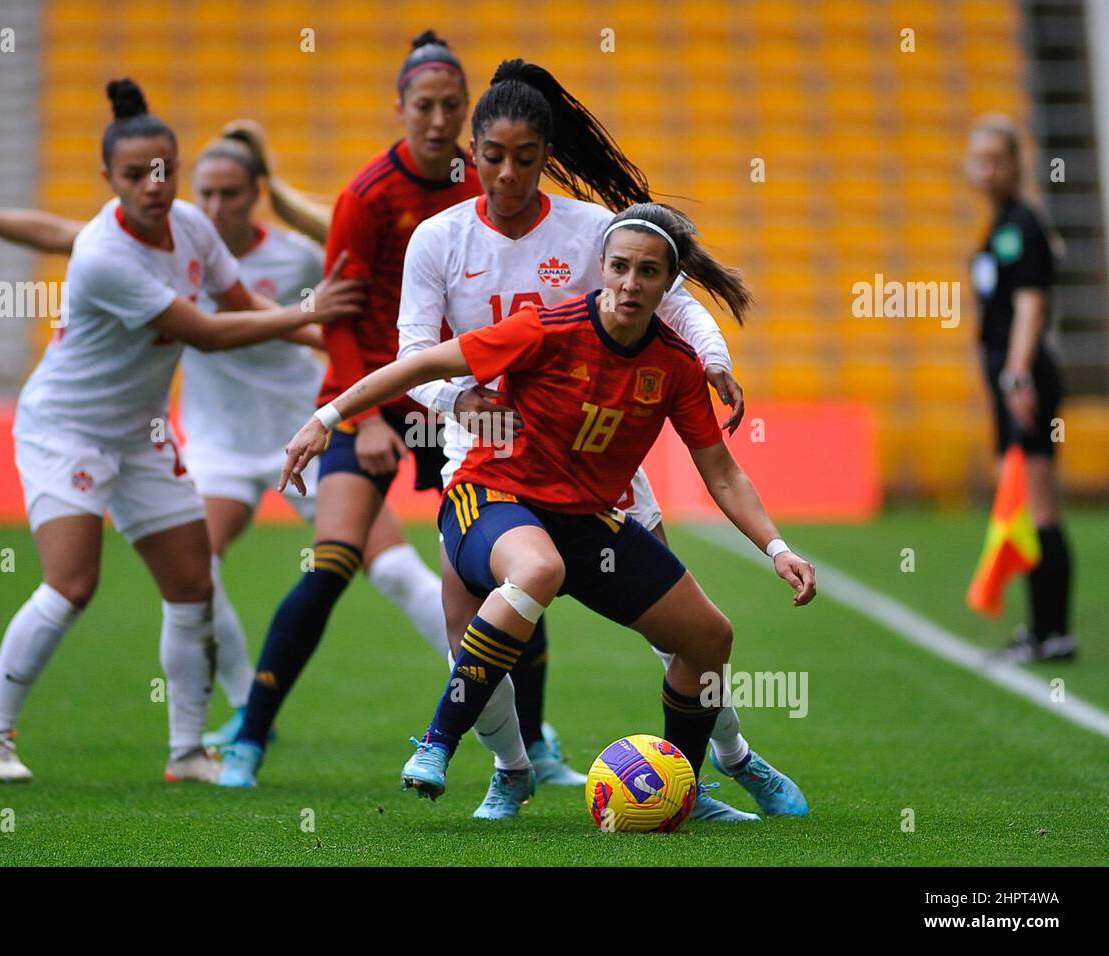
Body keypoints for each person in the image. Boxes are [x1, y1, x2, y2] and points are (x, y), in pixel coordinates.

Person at [0, 119, 453, 750]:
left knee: (392, 569)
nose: (214, 206)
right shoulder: (143, 246)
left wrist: (370, 377)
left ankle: (494, 705)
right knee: (187, 575)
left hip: (299, 435)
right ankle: (245, 705)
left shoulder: (275, 253)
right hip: (208, 444)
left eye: (230, 193)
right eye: (207, 193)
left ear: (255, 193)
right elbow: (72, 242)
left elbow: (333, 312)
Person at [281, 202, 817, 821]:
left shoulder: (673, 366)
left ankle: (682, 789)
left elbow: (722, 472)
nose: (629, 284)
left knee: (708, 635)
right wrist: (326, 419)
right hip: (490, 494)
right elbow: (423, 362)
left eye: (647, 273)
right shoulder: (546, 328)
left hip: (589, 520)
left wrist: (778, 549)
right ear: (602, 268)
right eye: (619, 267)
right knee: (534, 572)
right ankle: (442, 745)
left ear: (666, 284)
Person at [395, 58, 806, 819]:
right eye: (493, 158)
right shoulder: (438, 239)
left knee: (685, 634)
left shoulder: (594, 232)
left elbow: (677, 302)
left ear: (547, 156)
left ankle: (725, 762)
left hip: (603, 468)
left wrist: (713, 362)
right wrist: (460, 399)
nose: (509, 174)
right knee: (474, 644)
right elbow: (414, 350)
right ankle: (513, 768)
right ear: (471, 153)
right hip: (489, 461)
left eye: (526, 159)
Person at [0, 78, 363, 783]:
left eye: (163, 170)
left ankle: (185, 751)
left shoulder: (193, 227)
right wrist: (308, 312)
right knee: (72, 584)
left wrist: (338, 349)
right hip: (67, 429)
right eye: (135, 175)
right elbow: (205, 332)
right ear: (107, 179)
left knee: (193, 583)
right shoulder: (105, 255)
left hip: (141, 432)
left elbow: (238, 301)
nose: (154, 185)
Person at [217, 30, 563, 790]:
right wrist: (367, 418)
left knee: (518, 569)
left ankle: (534, 745)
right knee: (333, 561)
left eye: (450, 107)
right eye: (424, 106)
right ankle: (249, 736)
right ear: (399, 107)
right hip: (373, 396)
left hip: (463, 406)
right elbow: (337, 316)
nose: (438, 120)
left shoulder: (493, 182)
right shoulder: (369, 196)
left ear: (467, 112)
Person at [965, 114, 1076, 662]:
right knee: (1027, 505)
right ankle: (1043, 630)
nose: (986, 169)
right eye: (978, 159)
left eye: (996, 159)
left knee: (1039, 506)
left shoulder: (1020, 226)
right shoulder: (1003, 223)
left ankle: (1052, 632)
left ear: (1015, 164)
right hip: (1014, 380)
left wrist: (1016, 374)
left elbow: (1032, 304)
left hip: (1024, 381)